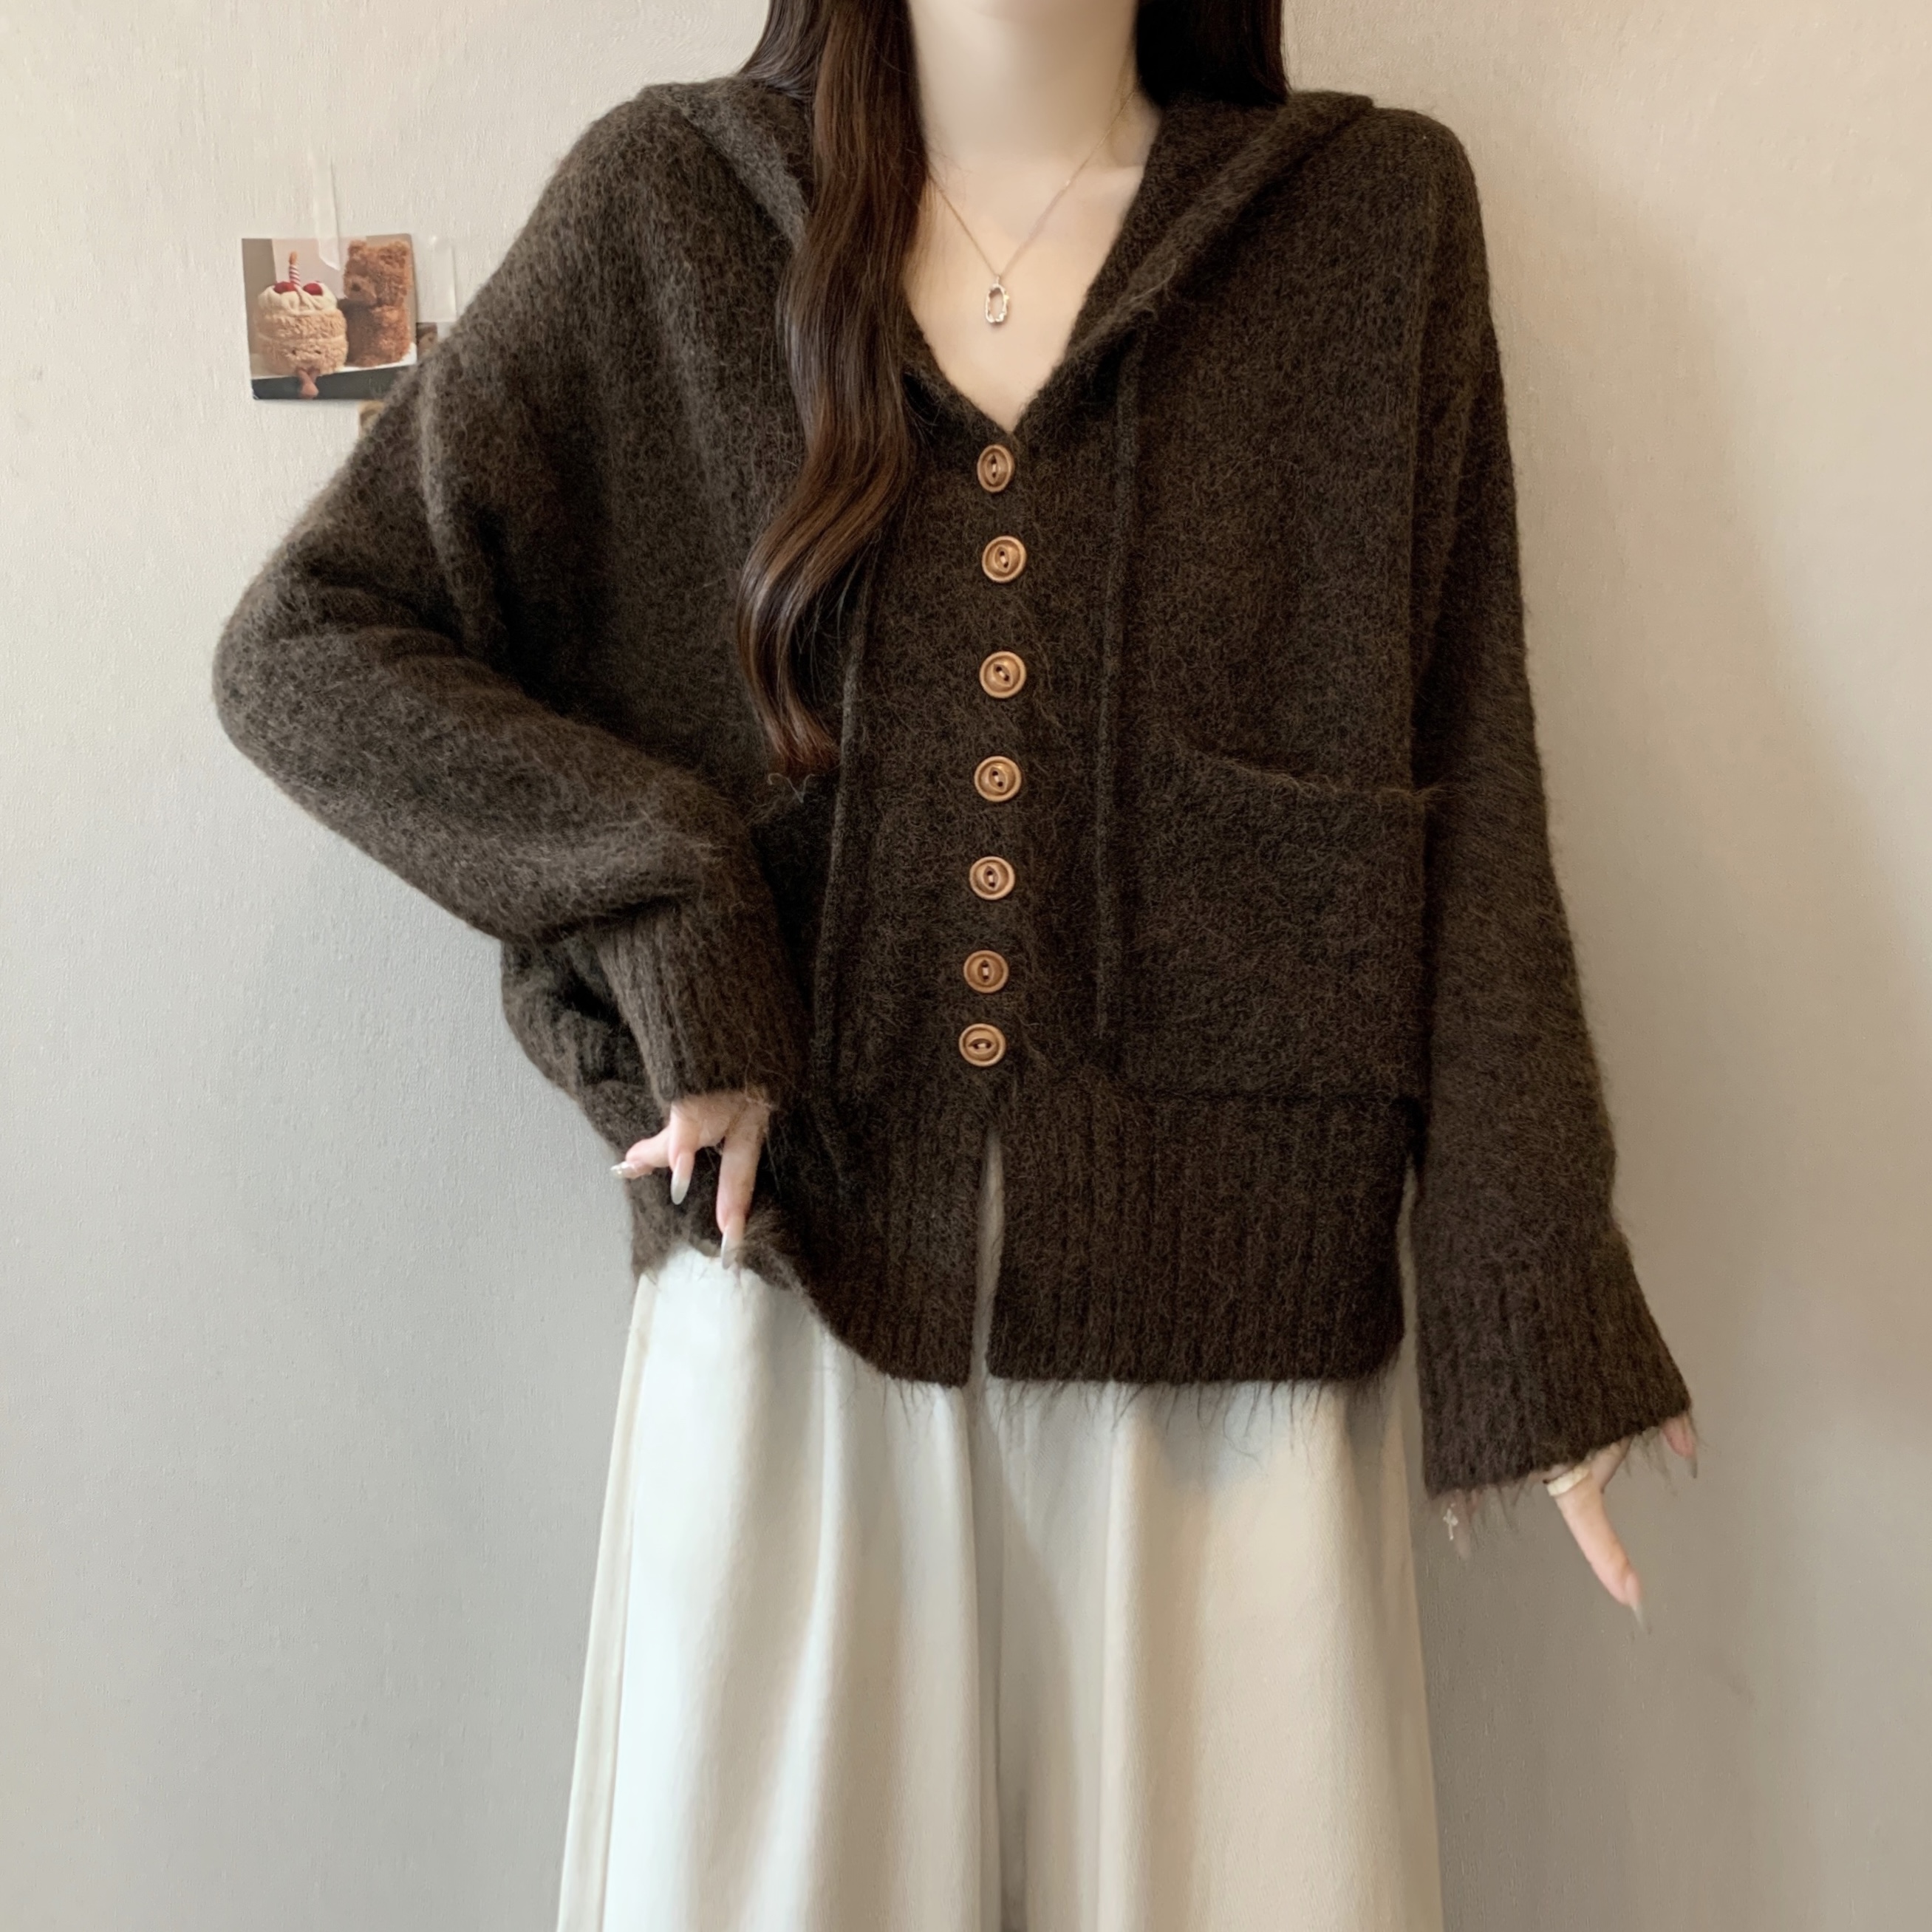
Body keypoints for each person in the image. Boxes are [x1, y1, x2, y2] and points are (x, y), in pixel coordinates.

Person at [211, 1, 1697, 1925]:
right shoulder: (668, 205)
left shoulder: (1369, 219)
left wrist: (1528, 1278)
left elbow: (1472, 758)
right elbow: (312, 646)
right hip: (798, 1310)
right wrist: (670, 909)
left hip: (1235, 1358)